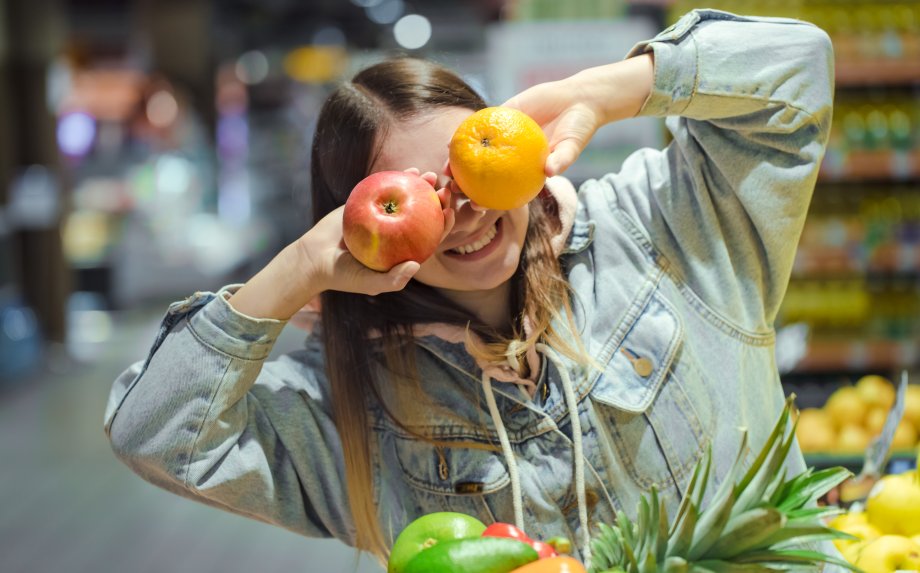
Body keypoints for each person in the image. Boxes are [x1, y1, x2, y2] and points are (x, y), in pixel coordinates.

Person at [105, 8, 835, 567]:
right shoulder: (351, 403)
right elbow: (154, 432)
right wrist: (297, 268)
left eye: (474, 167)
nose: (468, 212)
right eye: (420, 196)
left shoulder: (658, 227)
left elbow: (799, 69)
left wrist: (609, 90)